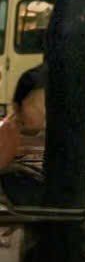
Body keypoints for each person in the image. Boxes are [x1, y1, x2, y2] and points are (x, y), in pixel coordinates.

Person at [0, 65, 46, 208]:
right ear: (17, 106)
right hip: (23, 193)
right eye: (35, 104)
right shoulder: (11, 129)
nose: (43, 111)